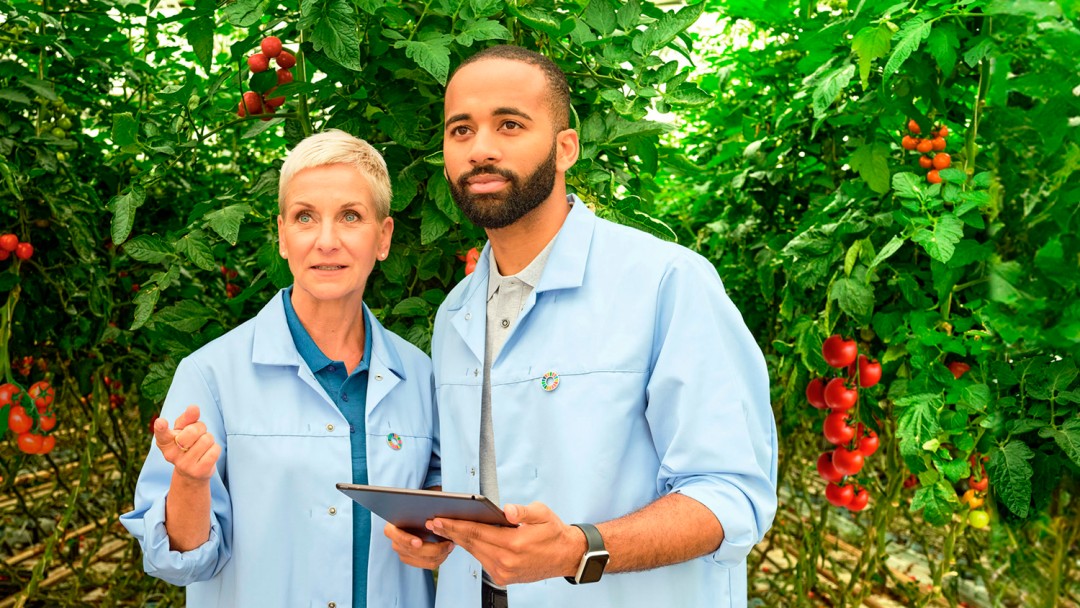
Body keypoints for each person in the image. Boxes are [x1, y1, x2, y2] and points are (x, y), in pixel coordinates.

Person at [384, 45, 777, 607]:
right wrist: (434, 524)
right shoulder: (456, 315)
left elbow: (732, 496)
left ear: (565, 148)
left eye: (510, 125)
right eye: (461, 130)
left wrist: (577, 549)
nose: (482, 149)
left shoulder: (668, 283)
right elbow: (474, 471)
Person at [120, 130, 440, 608]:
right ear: (283, 237)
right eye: (305, 217)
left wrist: (440, 538)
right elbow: (178, 562)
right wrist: (189, 480)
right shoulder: (210, 375)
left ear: (383, 238)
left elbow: (442, 500)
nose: (326, 241)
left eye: (350, 216)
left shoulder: (421, 375)